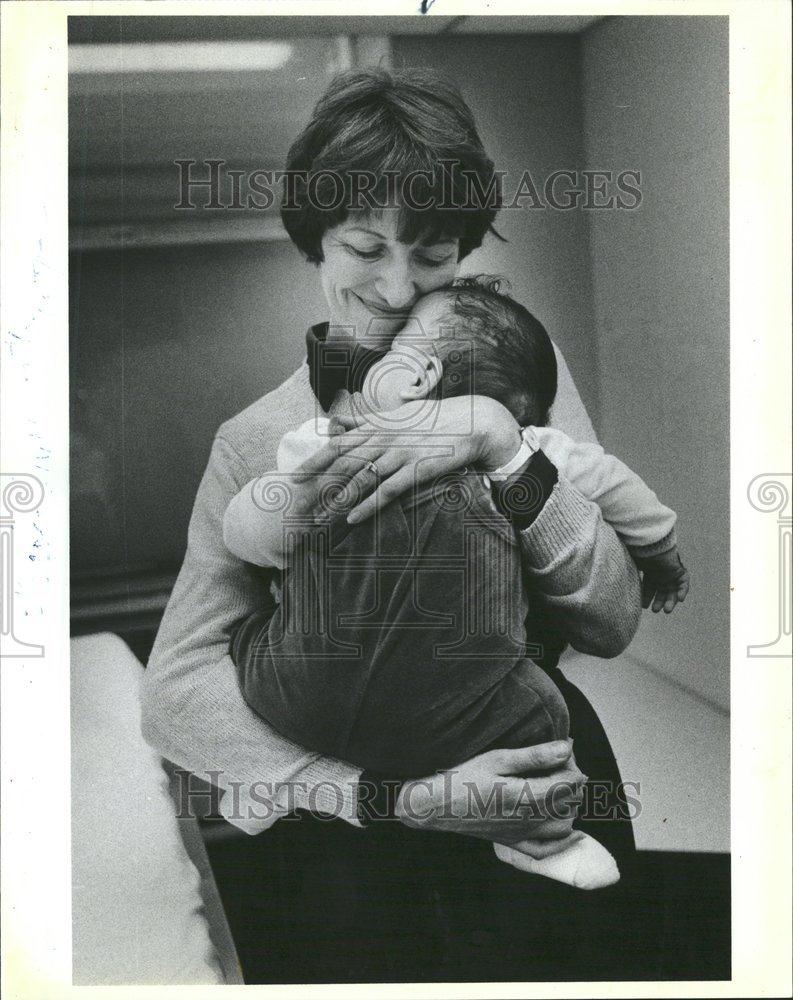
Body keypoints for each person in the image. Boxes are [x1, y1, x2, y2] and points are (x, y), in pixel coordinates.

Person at [141, 68, 643, 980]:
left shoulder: (520, 372)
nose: (397, 287)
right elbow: (175, 694)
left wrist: (503, 449)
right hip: (356, 820)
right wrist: (400, 798)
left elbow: (611, 620)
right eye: (365, 246)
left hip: (538, 764)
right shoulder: (258, 439)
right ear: (315, 241)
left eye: (434, 252)